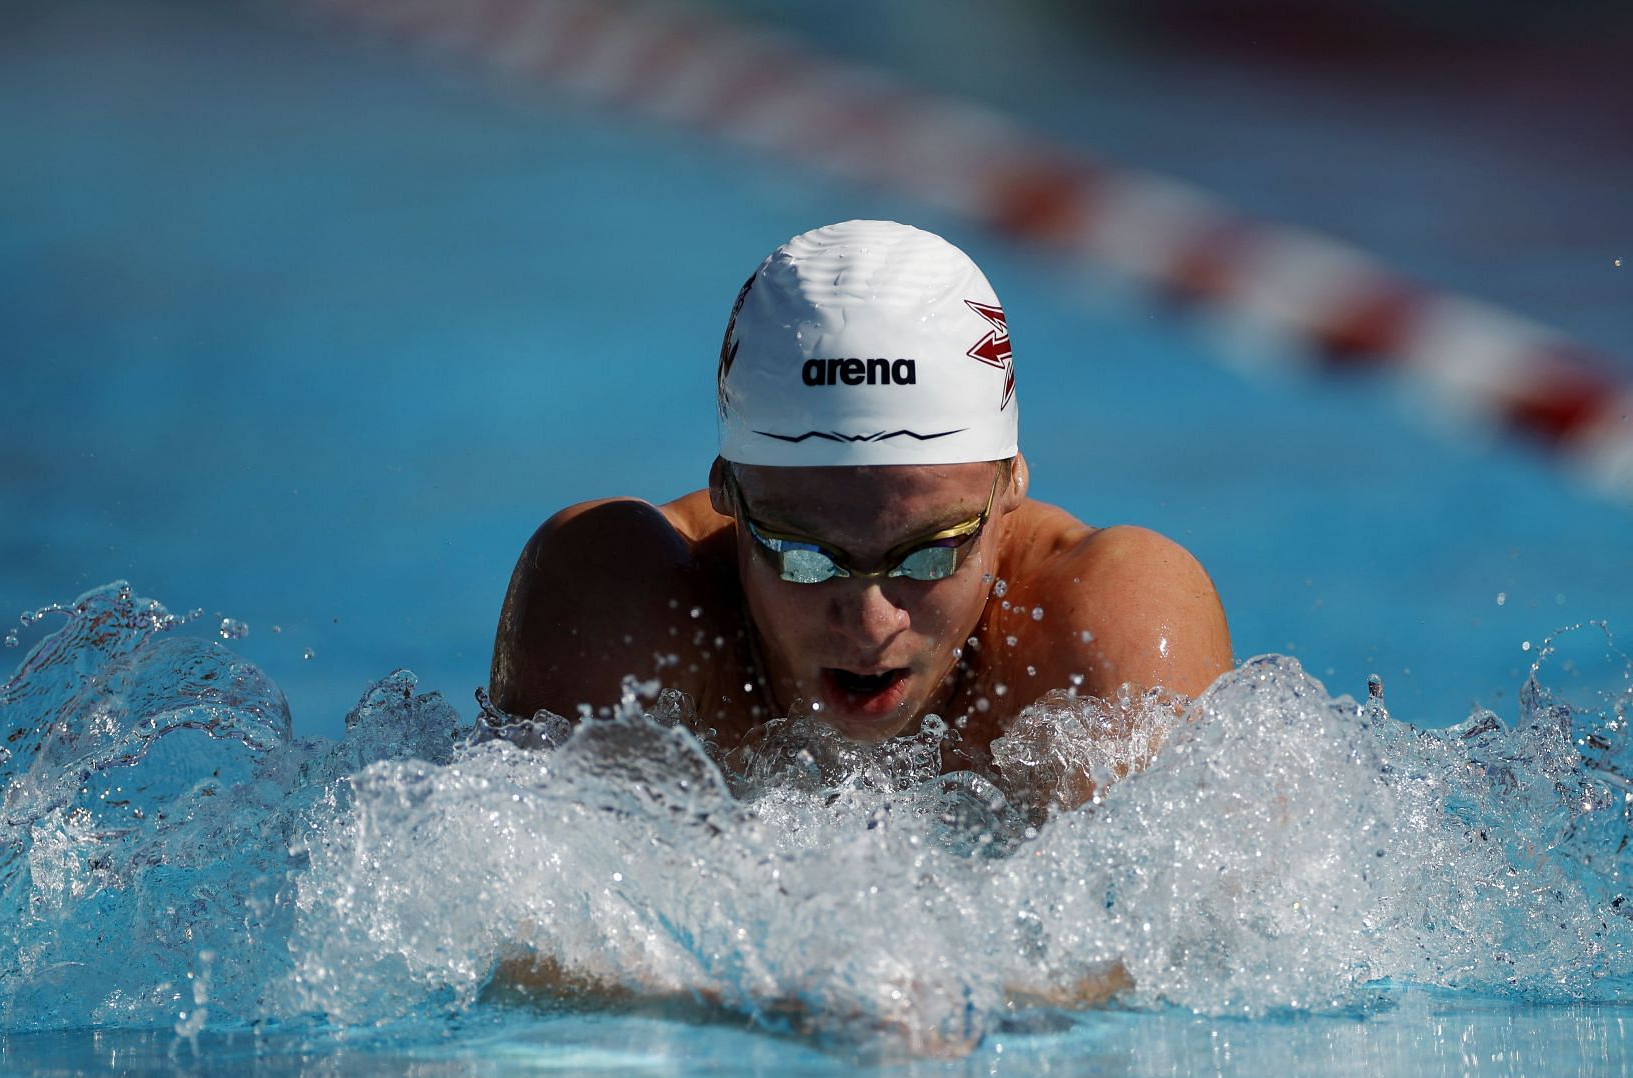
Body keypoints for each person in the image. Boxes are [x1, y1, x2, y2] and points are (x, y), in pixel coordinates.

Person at [489, 220, 1230, 779]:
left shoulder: (1102, 634)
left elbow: (1193, 968)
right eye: (806, 556)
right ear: (729, 496)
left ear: (1011, 488)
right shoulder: (630, 618)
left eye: (932, 552)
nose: (872, 622)